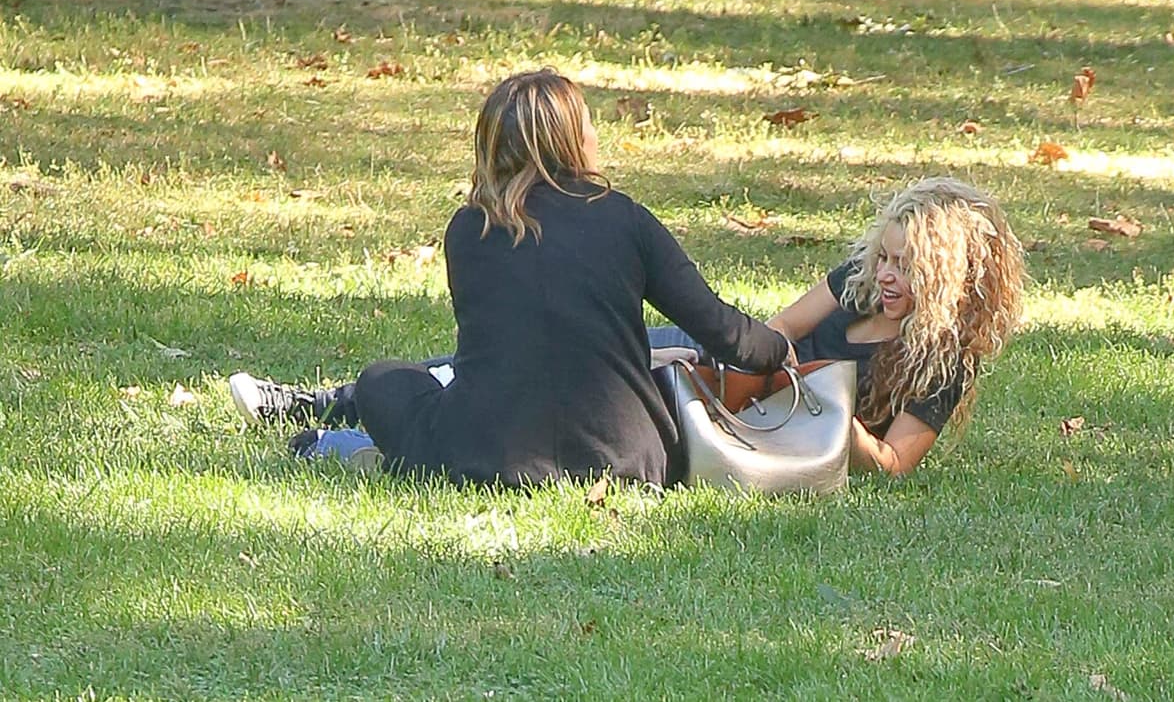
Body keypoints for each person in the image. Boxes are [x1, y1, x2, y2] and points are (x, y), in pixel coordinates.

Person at [230, 68, 792, 487]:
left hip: (487, 456)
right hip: (628, 460)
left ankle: (339, 444)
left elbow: (521, 344)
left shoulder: (469, 230)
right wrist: (778, 349)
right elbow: (720, 329)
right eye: (590, 126)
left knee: (385, 380)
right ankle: (342, 445)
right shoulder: (626, 218)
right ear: (570, 141)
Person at [763, 176, 1025, 475]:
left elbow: (893, 465)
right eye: (883, 257)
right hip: (751, 388)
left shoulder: (945, 362)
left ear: (944, 279)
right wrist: (772, 358)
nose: (885, 274)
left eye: (904, 266)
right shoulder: (860, 280)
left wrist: (827, 408)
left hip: (786, 431)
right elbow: (782, 325)